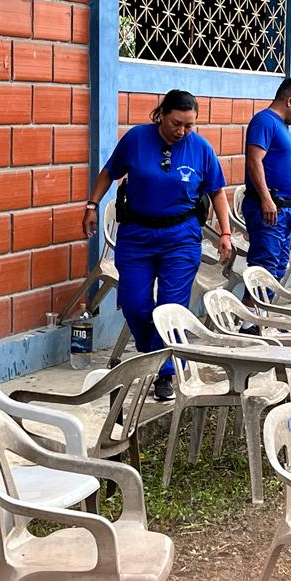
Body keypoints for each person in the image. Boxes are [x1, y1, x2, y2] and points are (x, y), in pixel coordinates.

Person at [83, 89, 232, 401]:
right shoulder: (136, 139)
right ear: (161, 115)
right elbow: (109, 172)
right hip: (137, 235)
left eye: (189, 125)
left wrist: (226, 233)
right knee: (134, 303)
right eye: (177, 123)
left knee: (170, 307)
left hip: (181, 238)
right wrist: (92, 206)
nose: (182, 131)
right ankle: (153, 352)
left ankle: (164, 373)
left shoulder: (201, 148)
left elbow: (217, 191)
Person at [242, 77, 291, 303]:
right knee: (264, 268)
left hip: (284, 210)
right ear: (290, 101)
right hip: (270, 207)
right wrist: (266, 198)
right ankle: (250, 319)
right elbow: (254, 160)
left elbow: (278, 155)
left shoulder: (281, 125)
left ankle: (263, 313)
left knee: (278, 267)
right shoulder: (265, 121)